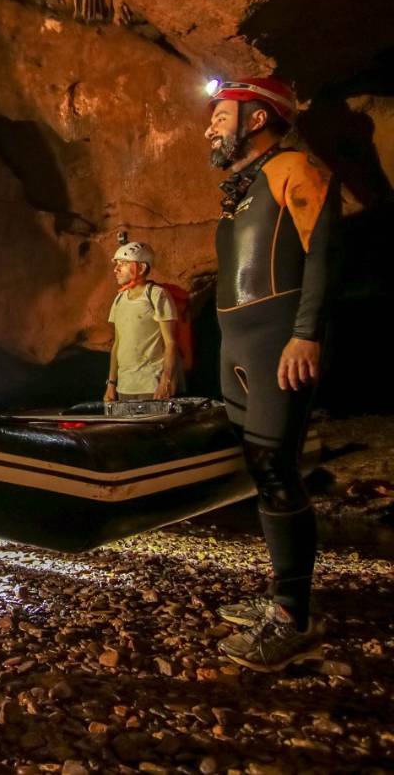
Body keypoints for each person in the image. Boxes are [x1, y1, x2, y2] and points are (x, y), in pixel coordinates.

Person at [203, 76, 338, 672]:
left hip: (275, 341)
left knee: (278, 471)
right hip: (238, 343)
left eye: (219, 116)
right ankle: (284, 594)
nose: (209, 127)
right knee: (261, 469)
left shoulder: (296, 169)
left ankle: (294, 616)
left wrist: (305, 333)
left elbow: (325, 254)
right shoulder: (245, 184)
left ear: (255, 118)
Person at [103, 241, 180, 402]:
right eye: (117, 264)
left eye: (123, 264)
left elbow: (170, 342)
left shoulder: (157, 295)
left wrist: (165, 381)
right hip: (124, 387)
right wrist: (111, 384)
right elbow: (117, 345)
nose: (116, 269)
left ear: (142, 268)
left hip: (152, 385)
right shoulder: (118, 300)